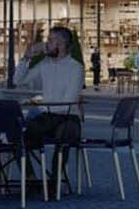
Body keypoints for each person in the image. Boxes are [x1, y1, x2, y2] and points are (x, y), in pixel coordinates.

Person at [13, 25, 86, 185]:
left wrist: (42, 105)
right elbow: (17, 81)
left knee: (64, 134)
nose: (46, 44)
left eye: (51, 40)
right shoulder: (44, 64)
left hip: (68, 117)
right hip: (48, 117)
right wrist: (26, 58)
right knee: (17, 136)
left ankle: (54, 182)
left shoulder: (76, 67)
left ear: (62, 44)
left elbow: (68, 102)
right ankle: (30, 178)